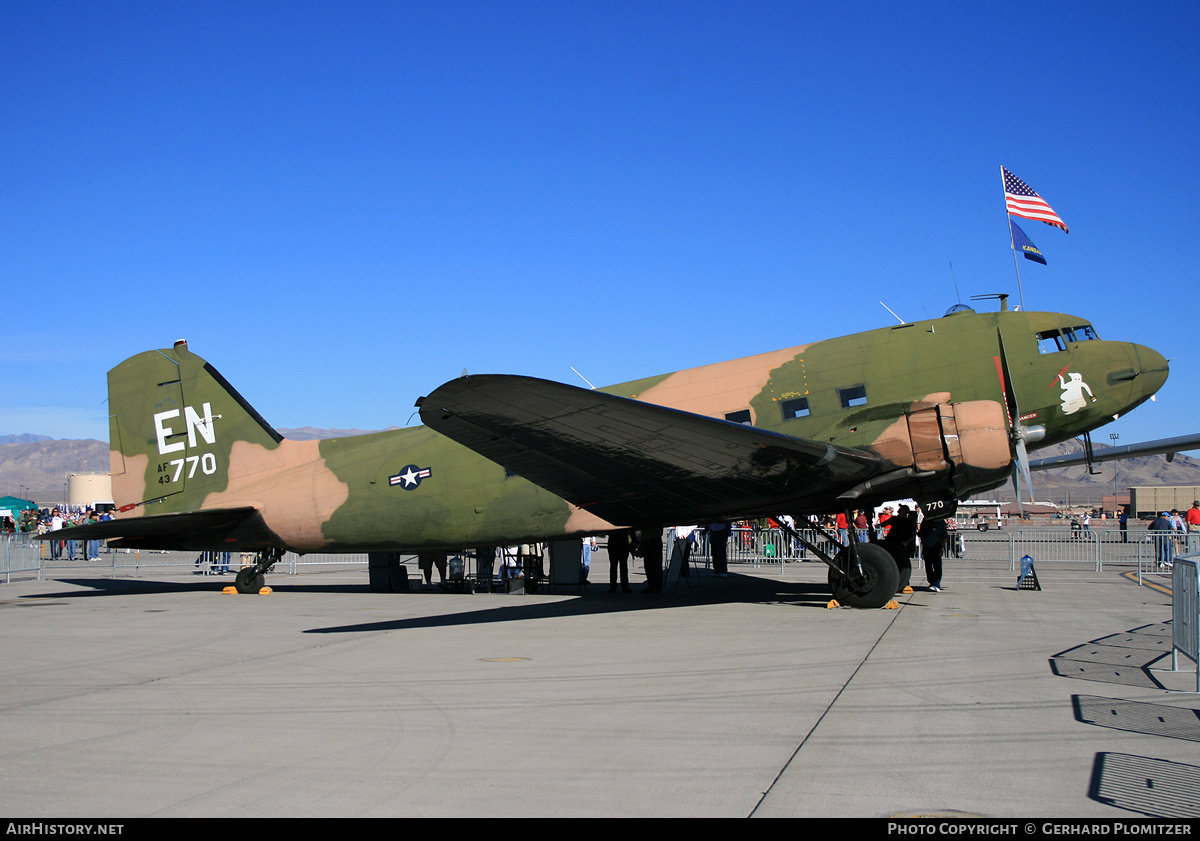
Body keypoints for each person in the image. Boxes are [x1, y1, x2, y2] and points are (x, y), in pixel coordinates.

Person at [918, 515, 948, 592]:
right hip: (926, 546)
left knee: (937, 565)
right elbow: (921, 531)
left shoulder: (940, 522)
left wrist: (942, 549)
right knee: (928, 565)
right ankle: (931, 582)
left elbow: (944, 536)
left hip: (936, 546)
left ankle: (937, 583)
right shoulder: (925, 521)